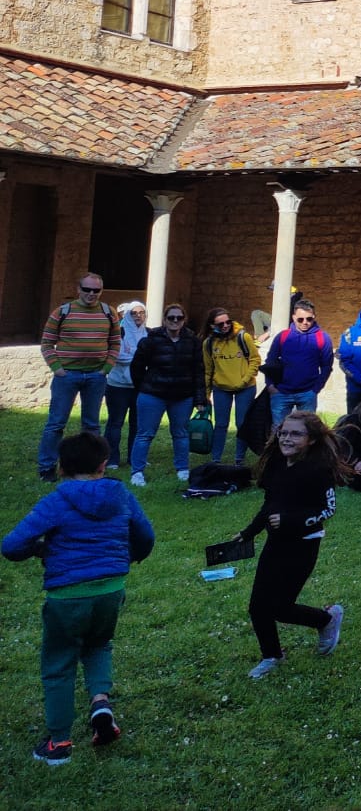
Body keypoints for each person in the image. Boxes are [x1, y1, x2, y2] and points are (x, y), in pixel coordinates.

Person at [3, 431, 155, 764]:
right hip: (111, 589)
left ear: (61, 467)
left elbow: (12, 546)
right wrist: (124, 559)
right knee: (99, 645)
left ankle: (59, 744)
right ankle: (100, 703)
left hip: (67, 595)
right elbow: (146, 536)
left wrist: (41, 548)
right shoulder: (122, 495)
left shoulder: (57, 501)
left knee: (59, 663)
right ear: (104, 464)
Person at [232, 410, 344, 679]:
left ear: (312, 440)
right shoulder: (276, 465)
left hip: (303, 544)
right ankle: (271, 655)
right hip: (276, 542)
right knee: (258, 607)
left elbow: (327, 509)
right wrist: (248, 533)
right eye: (284, 433)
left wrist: (292, 520)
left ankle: (326, 619)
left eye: (296, 434)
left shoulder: (318, 470)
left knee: (281, 607)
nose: (287, 438)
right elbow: (270, 505)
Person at [38, 273, 121, 481]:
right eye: (87, 290)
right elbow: (47, 343)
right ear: (79, 289)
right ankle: (47, 467)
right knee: (56, 423)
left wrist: (106, 368)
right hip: (67, 375)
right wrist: (58, 369)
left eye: (96, 291)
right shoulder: (62, 312)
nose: (91, 294)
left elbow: (115, 342)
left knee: (92, 425)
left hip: (96, 375)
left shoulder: (108, 313)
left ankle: (92, 467)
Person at [126, 304, 205, 488]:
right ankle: (137, 472)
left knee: (181, 434)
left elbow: (198, 371)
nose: (175, 321)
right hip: (153, 393)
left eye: (179, 318)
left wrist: (200, 398)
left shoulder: (192, 341)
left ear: (184, 320)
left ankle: (182, 469)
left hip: (182, 395)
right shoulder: (151, 340)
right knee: (144, 434)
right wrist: (143, 386)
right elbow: (136, 367)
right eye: (171, 318)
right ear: (164, 320)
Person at [202, 307, 262, 466]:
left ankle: (239, 459)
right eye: (220, 324)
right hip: (221, 388)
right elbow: (208, 370)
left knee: (242, 423)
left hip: (245, 387)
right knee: (220, 424)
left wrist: (245, 379)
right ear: (212, 326)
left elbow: (255, 360)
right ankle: (216, 459)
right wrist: (206, 394)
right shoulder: (209, 343)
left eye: (228, 322)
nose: (225, 326)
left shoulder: (243, 337)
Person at [262, 301, 334, 425]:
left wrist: (316, 389)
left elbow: (327, 366)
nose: (305, 322)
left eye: (309, 319)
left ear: (314, 317)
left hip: (307, 393)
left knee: (307, 430)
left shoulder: (322, 338)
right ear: (294, 317)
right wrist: (270, 386)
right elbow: (271, 362)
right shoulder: (283, 336)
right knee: (278, 431)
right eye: (300, 319)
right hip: (281, 392)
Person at [103, 301, 147, 471]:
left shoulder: (148, 334)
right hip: (117, 386)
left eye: (141, 312)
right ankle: (112, 458)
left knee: (137, 424)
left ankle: (133, 457)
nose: (138, 316)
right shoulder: (118, 333)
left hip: (139, 386)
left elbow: (149, 357)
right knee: (115, 423)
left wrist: (135, 356)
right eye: (134, 313)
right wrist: (140, 357)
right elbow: (116, 356)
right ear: (127, 315)